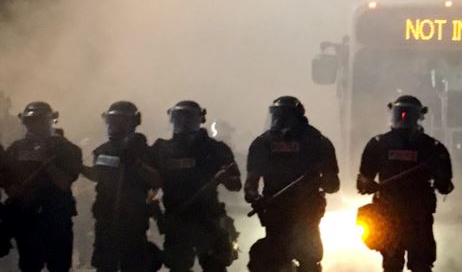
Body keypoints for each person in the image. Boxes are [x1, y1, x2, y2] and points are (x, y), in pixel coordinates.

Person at [357, 95, 453, 272]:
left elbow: (362, 183)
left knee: (394, 264)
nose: (403, 118)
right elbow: (445, 186)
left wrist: (368, 184)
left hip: (397, 213)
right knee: (419, 264)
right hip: (415, 214)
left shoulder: (378, 144)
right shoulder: (433, 147)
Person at [245, 96, 339, 272]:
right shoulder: (263, 143)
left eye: (285, 116)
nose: (280, 121)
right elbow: (250, 184)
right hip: (275, 212)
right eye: (277, 116)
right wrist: (255, 198)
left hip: (307, 213)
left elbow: (333, 185)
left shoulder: (317, 142)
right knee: (270, 263)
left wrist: (318, 178)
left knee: (309, 262)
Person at [153, 101, 241, 272]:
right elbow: (152, 183)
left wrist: (224, 178)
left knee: (214, 266)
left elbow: (235, 185)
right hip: (177, 219)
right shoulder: (162, 149)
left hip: (208, 219)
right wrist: (153, 204)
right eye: (179, 118)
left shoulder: (215, 149)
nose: (183, 123)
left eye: (189, 117)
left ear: (200, 119)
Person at [0, 101, 82, 272]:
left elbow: (64, 182)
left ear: (49, 121)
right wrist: (10, 187)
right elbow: (5, 175)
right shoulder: (16, 148)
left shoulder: (66, 149)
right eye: (29, 121)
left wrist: (46, 161)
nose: (33, 126)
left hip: (56, 217)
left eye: (38, 120)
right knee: (29, 265)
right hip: (27, 218)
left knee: (59, 266)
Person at [82, 101, 161, 271]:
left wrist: (137, 163)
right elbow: (97, 175)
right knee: (104, 265)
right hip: (106, 218)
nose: (113, 125)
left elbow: (157, 181)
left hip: (133, 220)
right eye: (111, 120)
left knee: (132, 265)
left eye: (120, 121)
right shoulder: (102, 150)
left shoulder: (146, 151)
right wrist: (78, 167)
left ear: (134, 122)